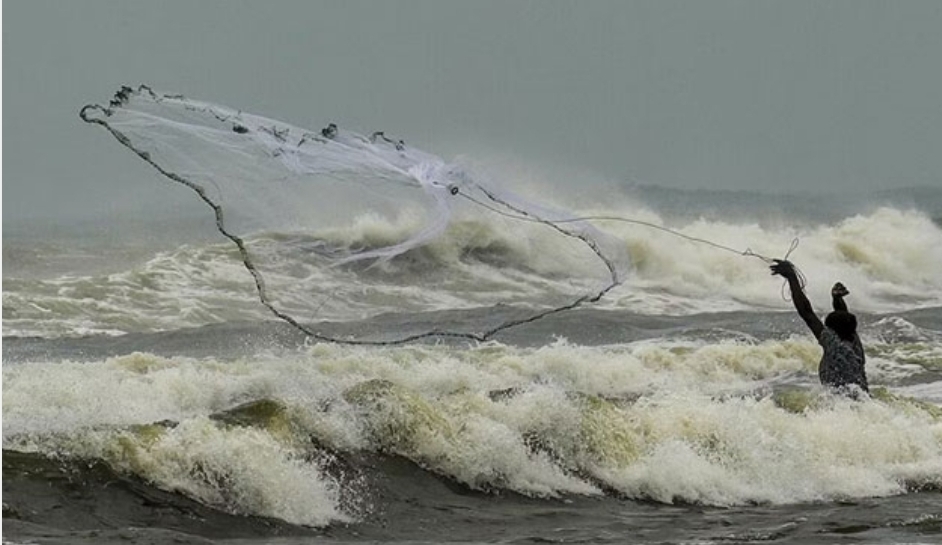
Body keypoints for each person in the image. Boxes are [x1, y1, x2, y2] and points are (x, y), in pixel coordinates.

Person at [770, 260, 869, 396]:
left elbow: (806, 312)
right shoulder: (855, 343)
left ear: (832, 332)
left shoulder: (834, 346)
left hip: (842, 405)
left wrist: (792, 277)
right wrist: (837, 299)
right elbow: (844, 319)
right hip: (864, 399)